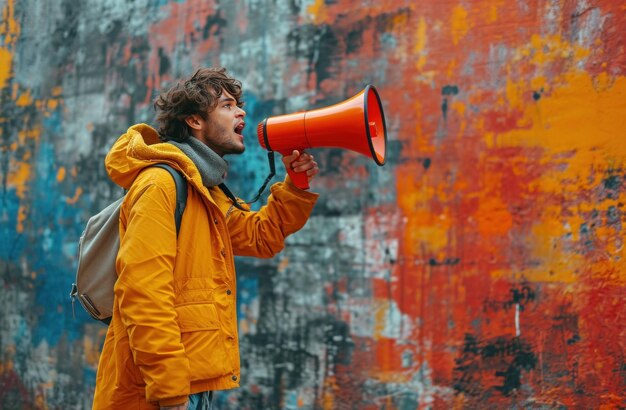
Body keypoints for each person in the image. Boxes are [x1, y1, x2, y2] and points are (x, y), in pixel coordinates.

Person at [92, 67, 319, 409]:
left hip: (191, 381)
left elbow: (262, 237)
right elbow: (143, 292)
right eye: (227, 106)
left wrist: (296, 185)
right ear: (195, 120)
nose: (241, 112)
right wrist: (170, 392)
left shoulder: (206, 190)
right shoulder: (160, 185)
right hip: (157, 389)